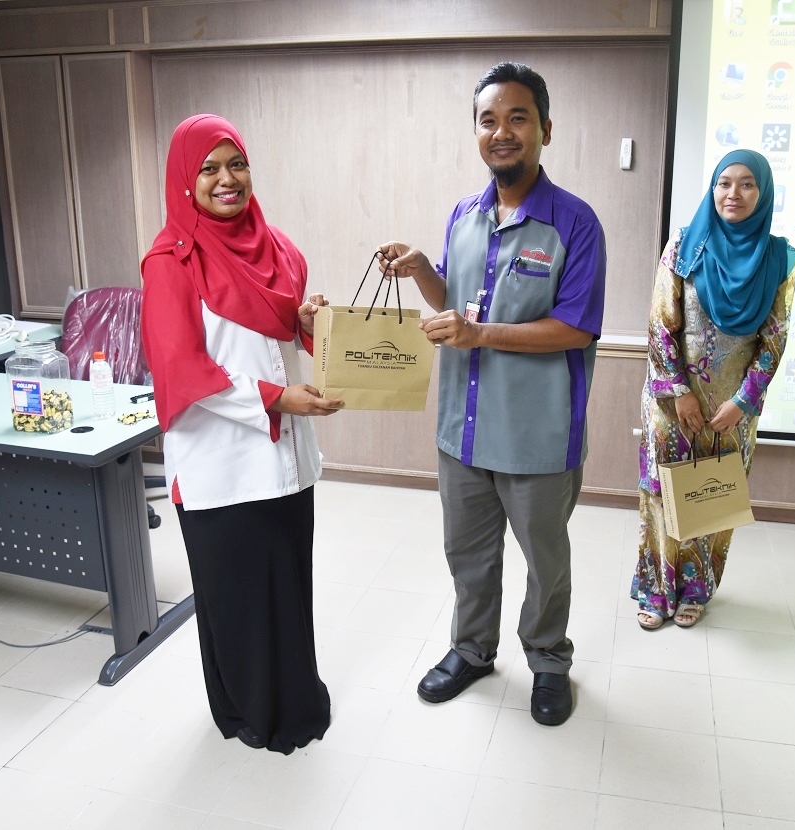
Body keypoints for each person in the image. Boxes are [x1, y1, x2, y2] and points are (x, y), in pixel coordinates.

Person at [377, 62, 606, 726]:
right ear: (476, 132)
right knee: (468, 555)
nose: (501, 132)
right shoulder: (464, 214)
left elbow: (574, 327)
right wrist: (423, 271)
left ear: (545, 130)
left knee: (544, 561)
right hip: (463, 429)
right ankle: (472, 651)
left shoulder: (575, 223)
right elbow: (455, 300)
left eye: (517, 118)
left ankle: (549, 661)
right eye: (488, 120)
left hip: (537, 434)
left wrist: (478, 333)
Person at [140, 113, 343, 754]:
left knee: (287, 584)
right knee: (237, 596)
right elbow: (183, 367)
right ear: (185, 179)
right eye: (208, 169)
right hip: (220, 463)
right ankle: (249, 710)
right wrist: (278, 398)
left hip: (285, 454)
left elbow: (279, 336)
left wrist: (308, 322)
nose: (226, 179)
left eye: (237, 164)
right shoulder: (170, 262)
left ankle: (296, 699)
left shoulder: (277, 249)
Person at [632, 149, 795, 631]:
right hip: (672, 403)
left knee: (714, 496)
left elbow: (775, 338)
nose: (734, 194)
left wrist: (743, 401)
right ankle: (657, 590)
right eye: (724, 183)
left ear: (763, 193)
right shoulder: (684, 245)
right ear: (713, 189)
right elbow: (661, 324)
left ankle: (695, 589)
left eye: (747, 184)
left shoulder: (780, 259)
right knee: (663, 494)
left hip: (732, 409)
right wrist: (679, 392)